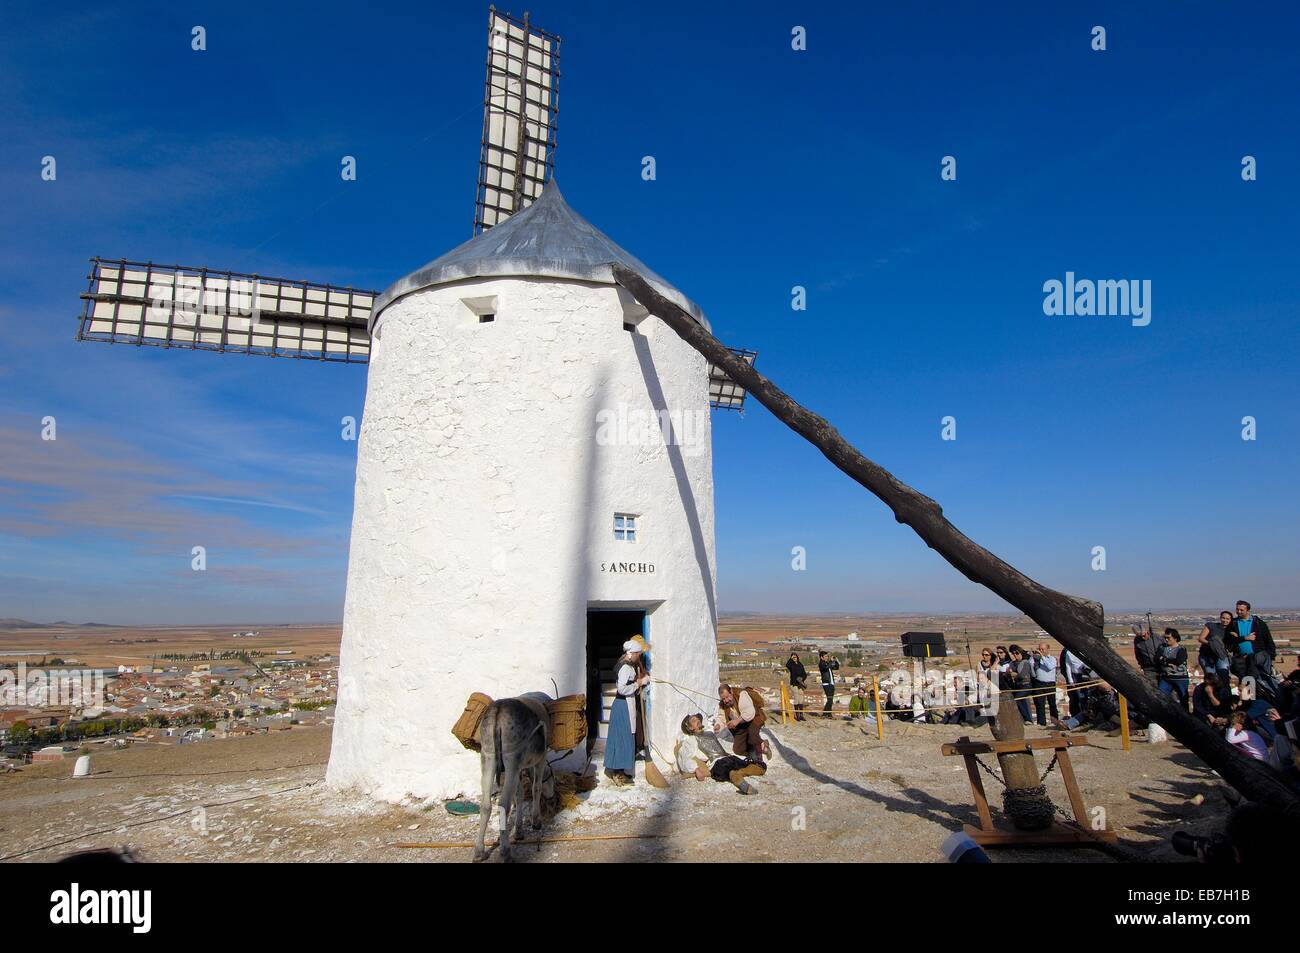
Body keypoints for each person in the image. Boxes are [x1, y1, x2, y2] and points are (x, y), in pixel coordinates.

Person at [605, 640, 650, 785]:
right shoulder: (625, 667)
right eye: (638, 654)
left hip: (625, 704)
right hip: (623, 705)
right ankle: (618, 773)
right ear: (632, 653)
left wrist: (639, 680)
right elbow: (622, 689)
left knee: (623, 737)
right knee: (622, 738)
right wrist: (639, 683)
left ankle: (620, 770)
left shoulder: (627, 665)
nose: (639, 657)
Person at [718, 683, 769, 763]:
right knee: (738, 749)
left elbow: (749, 713)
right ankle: (761, 745)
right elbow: (721, 718)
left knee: (752, 736)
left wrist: (737, 721)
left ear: (731, 691)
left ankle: (759, 760)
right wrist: (718, 725)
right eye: (723, 699)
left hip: (754, 719)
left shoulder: (741, 694)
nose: (726, 700)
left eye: (727, 697)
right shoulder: (723, 704)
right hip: (741, 724)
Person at [1157, 629, 1190, 709]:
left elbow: (1179, 660)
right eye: (1165, 637)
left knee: (1183, 699)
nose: (1166, 639)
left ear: (1175, 638)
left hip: (1180, 678)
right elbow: (1157, 659)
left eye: (1169, 638)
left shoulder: (1181, 649)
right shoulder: (1162, 648)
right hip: (1165, 678)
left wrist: (1164, 659)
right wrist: (1169, 661)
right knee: (1161, 698)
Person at [1060, 646, 1093, 722]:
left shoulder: (1084, 650)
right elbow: (1067, 667)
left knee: (1085, 697)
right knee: (1076, 698)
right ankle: (1077, 717)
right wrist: (1070, 680)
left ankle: (1086, 717)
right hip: (1074, 676)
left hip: (1085, 675)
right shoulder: (1067, 652)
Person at [1198, 611, 1234, 681]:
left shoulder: (1230, 631)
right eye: (1223, 618)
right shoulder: (1211, 626)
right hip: (1207, 656)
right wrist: (1212, 644)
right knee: (1211, 678)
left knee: (1224, 676)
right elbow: (1201, 638)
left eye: (1227, 619)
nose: (1225, 620)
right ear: (1220, 618)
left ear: (1230, 620)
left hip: (1221, 656)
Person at [1030, 641, 1059, 726]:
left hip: (1050, 684)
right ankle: (1041, 722)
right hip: (1039, 683)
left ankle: (1055, 721)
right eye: (1039, 649)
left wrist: (1042, 657)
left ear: (1047, 649)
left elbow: (1049, 667)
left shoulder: (1052, 659)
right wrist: (1034, 656)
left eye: (1043, 649)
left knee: (1052, 703)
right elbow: (1031, 665)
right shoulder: (1036, 658)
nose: (1041, 651)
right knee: (1040, 704)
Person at [785, 652, 808, 722]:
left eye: (795, 657)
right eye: (793, 657)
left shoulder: (800, 664)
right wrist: (790, 659)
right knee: (797, 698)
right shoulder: (791, 665)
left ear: (797, 657)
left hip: (800, 684)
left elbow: (804, 673)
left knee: (801, 699)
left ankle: (801, 715)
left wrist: (802, 679)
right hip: (794, 684)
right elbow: (787, 665)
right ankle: (797, 715)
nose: (795, 658)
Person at [818, 651, 840, 717]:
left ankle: (829, 714)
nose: (827, 658)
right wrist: (830, 661)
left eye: (827, 656)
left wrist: (836, 661)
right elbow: (825, 668)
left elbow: (836, 667)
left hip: (831, 683)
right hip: (826, 683)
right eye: (825, 656)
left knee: (830, 700)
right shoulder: (821, 663)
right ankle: (825, 714)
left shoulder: (827, 663)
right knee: (829, 699)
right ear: (821, 657)